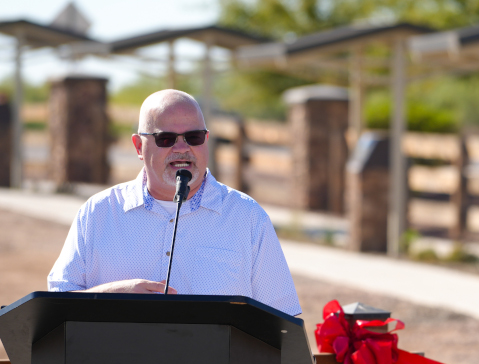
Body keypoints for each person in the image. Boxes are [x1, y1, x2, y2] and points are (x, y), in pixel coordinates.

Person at [47, 89, 301, 316]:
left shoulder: (247, 216)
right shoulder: (98, 213)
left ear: (206, 140)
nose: (182, 148)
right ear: (138, 146)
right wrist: (112, 296)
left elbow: (279, 320)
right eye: (166, 139)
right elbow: (55, 306)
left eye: (193, 137)